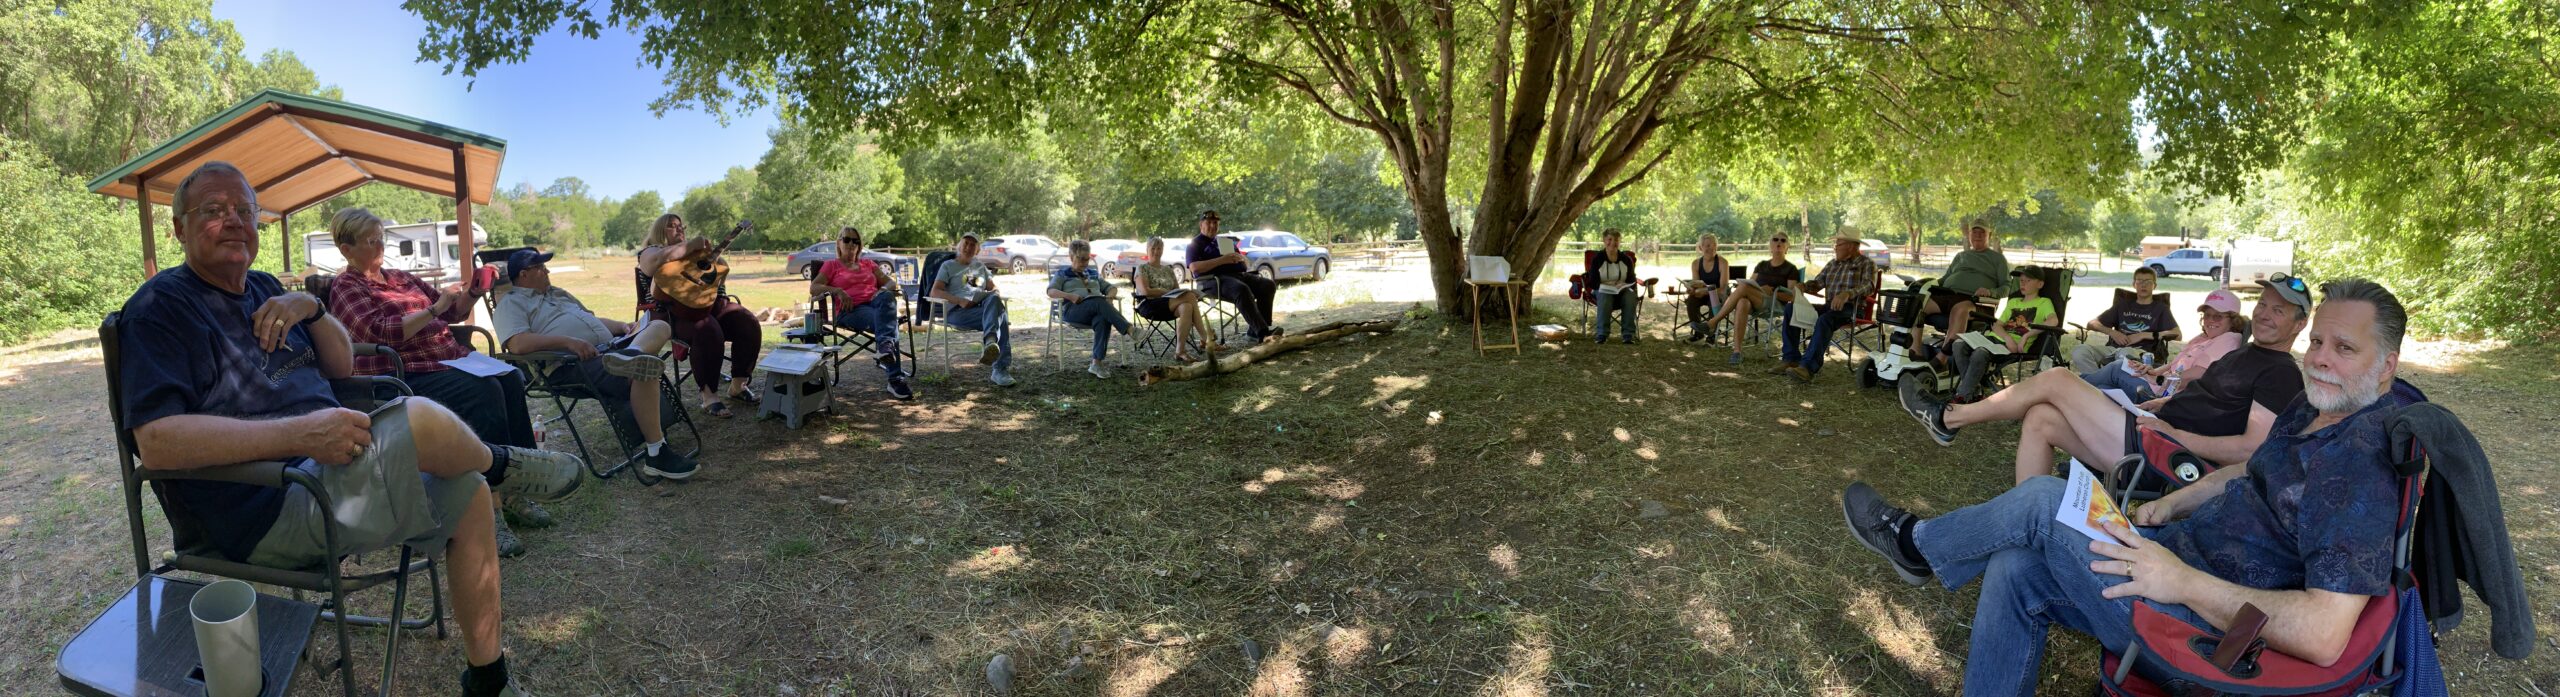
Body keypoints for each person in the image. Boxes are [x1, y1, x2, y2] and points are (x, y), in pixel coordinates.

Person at [119, 162, 576, 696]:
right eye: (214, 211)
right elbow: (156, 442)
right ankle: (505, 465)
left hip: (330, 471)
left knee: (468, 492)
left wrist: (312, 309)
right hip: (263, 503)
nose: (235, 221)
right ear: (179, 228)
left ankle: (488, 681)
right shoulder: (159, 310)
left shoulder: (264, 288)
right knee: (419, 416)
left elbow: (340, 366)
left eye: (245, 210)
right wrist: (301, 435)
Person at [1842, 278, 2420, 696]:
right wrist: (2169, 504)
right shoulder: (2313, 410)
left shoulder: (2359, 465)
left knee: (2044, 501)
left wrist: (2182, 581)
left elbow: (2323, 634)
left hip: (2208, 633)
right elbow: (2250, 469)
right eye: (2318, 342)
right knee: (2016, 567)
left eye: (2344, 348)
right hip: (2171, 560)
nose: (2320, 360)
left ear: (2388, 364)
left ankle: (1918, 545)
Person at [324, 208, 578, 557]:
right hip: (401, 373)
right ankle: (491, 505)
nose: (380, 246)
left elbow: (453, 312)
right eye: (371, 241)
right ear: (346, 249)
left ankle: (518, 484)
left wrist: (472, 292)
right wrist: (432, 310)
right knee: (483, 392)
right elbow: (381, 333)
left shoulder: (400, 277)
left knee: (509, 377)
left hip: (446, 361)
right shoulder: (347, 286)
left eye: (381, 238)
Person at [1901, 274, 2315, 484]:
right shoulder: (2244, 353)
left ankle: (1949, 418)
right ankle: (2028, 514)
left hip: (2169, 456)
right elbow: (2209, 400)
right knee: (2041, 417)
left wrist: (2174, 433)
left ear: (2299, 325)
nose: (2265, 314)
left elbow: (2249, 449)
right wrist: (2163, 404)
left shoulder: (2281, 374)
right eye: (2263, 304)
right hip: (2152, 430)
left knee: (2058, 379)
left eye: (2279, 310)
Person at [496, 249, 700, 479]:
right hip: (570, 364)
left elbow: (591, 320)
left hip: (609, 350)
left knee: (659, 325)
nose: (547, 271)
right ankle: (657, 453)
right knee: (644, 367)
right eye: (540, 268)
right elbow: (518, 344)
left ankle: (631, 354)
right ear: (523, 274)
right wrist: (568, 342)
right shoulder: (510, 303)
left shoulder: (558, 293)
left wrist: (622, 326)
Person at [638, 213, 762, 416]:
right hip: (672, 314)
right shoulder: (651, 250)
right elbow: (653, 263)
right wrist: (690, 246)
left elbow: (720, 274)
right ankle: (709, 396)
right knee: (707, 329)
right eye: (672, 226)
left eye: (681, 225)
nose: (679, 229)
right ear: (659, 231)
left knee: (747, 322)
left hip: (709, 306)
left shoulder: (694, 252)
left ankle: (738, 386)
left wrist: (712, 259)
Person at [2082, 289, 2247, 403]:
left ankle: (2072, 383)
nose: (2210, 321)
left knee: (2116, 368)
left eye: (2218, 317)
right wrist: (2153, 371)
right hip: (2160, 385)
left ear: (2233, 319)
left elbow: (2197, 375)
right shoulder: (2204, 337)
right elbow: (2177, 363)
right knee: (2103, 388)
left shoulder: (2228, 339)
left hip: (2164, 396)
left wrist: (2157, 379)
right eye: (2207, 315)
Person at [808, 226, 913, 400]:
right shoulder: (832, 265)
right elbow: (814, 287)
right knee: (889, 323)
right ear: (839, 243)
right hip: (851, 310)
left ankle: (885, 348)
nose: (851, 244)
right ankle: (895, 378)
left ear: (860, 245)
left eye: (855, 241)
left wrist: (881, 291)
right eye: (847, 239)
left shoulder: (868, 264)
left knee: (887, 297)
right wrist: (838, 291)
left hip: (876, 305)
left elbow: (890, 283)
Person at [1947, 266, 2060, 401]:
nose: (2023, 283)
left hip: (2011, 347)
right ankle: (1973, 390)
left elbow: (2053, 320)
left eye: (2028, 280)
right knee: (1958, 344)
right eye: (2021, 280)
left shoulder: (2044, 302)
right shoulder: (2013, 302)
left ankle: (1963, 397)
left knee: (1980, 352)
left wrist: (2027, 335)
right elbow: (1997, 325)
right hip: (1997, 339)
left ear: (2040, 284)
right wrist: (2007, 338)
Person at [1777, 234, 1880, 383]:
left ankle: (1807, 368)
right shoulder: (1833, 264)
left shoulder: (1867, 263)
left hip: (1852, 308)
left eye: (1838, 244)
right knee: (1791, 309)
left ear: (1851, 246)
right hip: (1830, 306)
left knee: (1825, 319)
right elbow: (1818, 283)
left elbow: (1869, 286)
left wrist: (1847, 294)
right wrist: (1803, 286)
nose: (1835, 247)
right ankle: (1791, 359)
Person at [1914, 222, 2011, 357]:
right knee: (1916, 306)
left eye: (1982, 232)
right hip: (1949, 295)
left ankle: (1941, 360)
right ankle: (1915, 354)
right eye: (1974, 232)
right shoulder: (1961, 256)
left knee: (1960, 309)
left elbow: (2007, 286)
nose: (1977, 235)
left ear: (1989, 235)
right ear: (1969, 235)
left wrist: (1990, 292)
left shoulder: (1997, 259)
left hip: (1977, 301)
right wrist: (1925, 284)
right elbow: (1945, 279)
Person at [931, 234, 1016, 387]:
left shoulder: (979, 267)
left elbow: (994, 288)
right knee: (1001, 316)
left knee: (995, 301)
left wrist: (989, 294)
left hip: (979, 309)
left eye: (973, 245)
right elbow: (935, 292)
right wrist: (960, 300)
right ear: (959, 246)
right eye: (966, 243)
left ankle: (991, 342)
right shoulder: (948, 266)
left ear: (977, 250)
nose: (969, 247)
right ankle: (999, 369)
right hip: (957, 312)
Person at [1701, 234, 1800, 364]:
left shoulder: (1791, 269)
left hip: (1775, 304)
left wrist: (1772, 292)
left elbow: (1792, 296)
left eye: (1783, 240)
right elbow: (1750, 283)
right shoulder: (1762, 265)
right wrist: (1758, 290)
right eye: (1775, 239)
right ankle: (1737, 352)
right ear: (1770, 245)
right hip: (1757, 301)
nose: (1779, 242)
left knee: (1743, 288)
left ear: (1787, 247)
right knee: (1742, 301)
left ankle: (1713, 322)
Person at [1185, 210, 1282, 342]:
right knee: (1240, 289)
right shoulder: (1195, 244)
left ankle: (1255, 330)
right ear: (1201, 224)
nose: (1213, 226)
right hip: (1210, 281)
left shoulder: (1224, 241)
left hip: (1237, 276)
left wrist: (1242, 259)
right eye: (1209, 222)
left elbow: (1243, 263)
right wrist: (1222, 260)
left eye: (1215, 223)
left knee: (1267, 285)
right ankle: (1263, 333)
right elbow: (1194, 268)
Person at [1048, 239, 1135, 378]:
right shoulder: (1062, 273)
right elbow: (1051, 291)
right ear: (1071, 257)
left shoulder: (1093, 274)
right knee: (1098, 301)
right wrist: (1070, 296)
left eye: (1087, 259)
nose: (1085, 263)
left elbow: (1111, 288)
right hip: (1073, 310)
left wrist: (1109, 298)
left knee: (1103, 318)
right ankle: (1129, 329)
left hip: (1095, 309)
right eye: (1081, 259)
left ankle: (1096, 364)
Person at [2068, 266, 2180, 372]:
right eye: (2139, 281)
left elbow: (2177, 334)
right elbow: (2092, 324)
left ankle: (2105, 379)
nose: (2143, 285)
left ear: (2154, 285)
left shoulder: (2160, 309)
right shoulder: (2123, 305)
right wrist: (2112, 332)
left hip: (2142, 353)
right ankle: (2097, 380)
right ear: (2134, 284)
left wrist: (2143, 335)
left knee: (2125, 354)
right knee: (2080, 351)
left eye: (2148, 281)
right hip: (2113, 350)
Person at [1133, 237, 1220, 363]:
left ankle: (1180, 351)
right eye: (1153, 248)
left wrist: (1186, 293)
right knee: (1189, 296)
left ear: (1162, 250)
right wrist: (1164, 292)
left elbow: (1177, 291)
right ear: (1147, 250)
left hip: (1169, 304)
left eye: (1159, 248)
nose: (1156, 251)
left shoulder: (1168, 270)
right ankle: (1205, 339)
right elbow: (1146, 291)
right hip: (1149, 305)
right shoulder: (1142, 268)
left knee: (1187, 306)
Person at [1581, 228, 1641, 344]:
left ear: (1619, 242)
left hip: (1621, 291)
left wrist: (1623, 284)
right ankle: (1602, 334)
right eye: (1610, 239)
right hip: (1601, 290)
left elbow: (1632, 279)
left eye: (1616, 240)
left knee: (1630, 295)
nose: (1613, 242)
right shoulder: (1597, 259)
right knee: (1605, 295)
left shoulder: (1626, 259)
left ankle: (1628, 335)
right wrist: (1607, 284)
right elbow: (1593, 282)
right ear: (1604, 240)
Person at [1680, 234, 1735, 343]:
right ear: (1701, 248)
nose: (1711, 248)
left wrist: (1705, 291)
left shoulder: (1723, 262)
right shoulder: (1696, 263)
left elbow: (1723, 288)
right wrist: (1692, 290)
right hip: (1703, 294)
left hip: (1718, 294)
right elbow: (1697, 285)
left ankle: (1711, 334)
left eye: (1713, 245)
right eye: (1707, 246)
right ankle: (1698, 333)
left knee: (1714, 300)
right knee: (1691, 301)